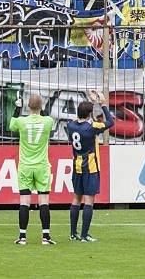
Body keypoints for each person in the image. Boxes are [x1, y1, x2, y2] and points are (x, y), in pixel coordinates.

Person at [66, 90, 114, 242]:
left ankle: (73, 233)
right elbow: (111, 122)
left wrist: (91, 104)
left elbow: (82, 118)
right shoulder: (91, 128)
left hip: (77, 164)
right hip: (90, 165)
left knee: (76, 199)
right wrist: (103, 104)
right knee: (89, 200)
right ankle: (84, 235)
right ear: (89, 114)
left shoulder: (71, 125)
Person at [9, 93, 56, 245]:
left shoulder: (22, 122)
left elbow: (11, 125)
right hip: (42, 166)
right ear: (41, 107)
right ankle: (46, 237)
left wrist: (17, 108)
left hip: (25, 166)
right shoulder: (47, 121)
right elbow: (47, 118)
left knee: (24, 201)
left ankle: (22, 237)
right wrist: (40, 110)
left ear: (28, 106)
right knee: (44, 201)